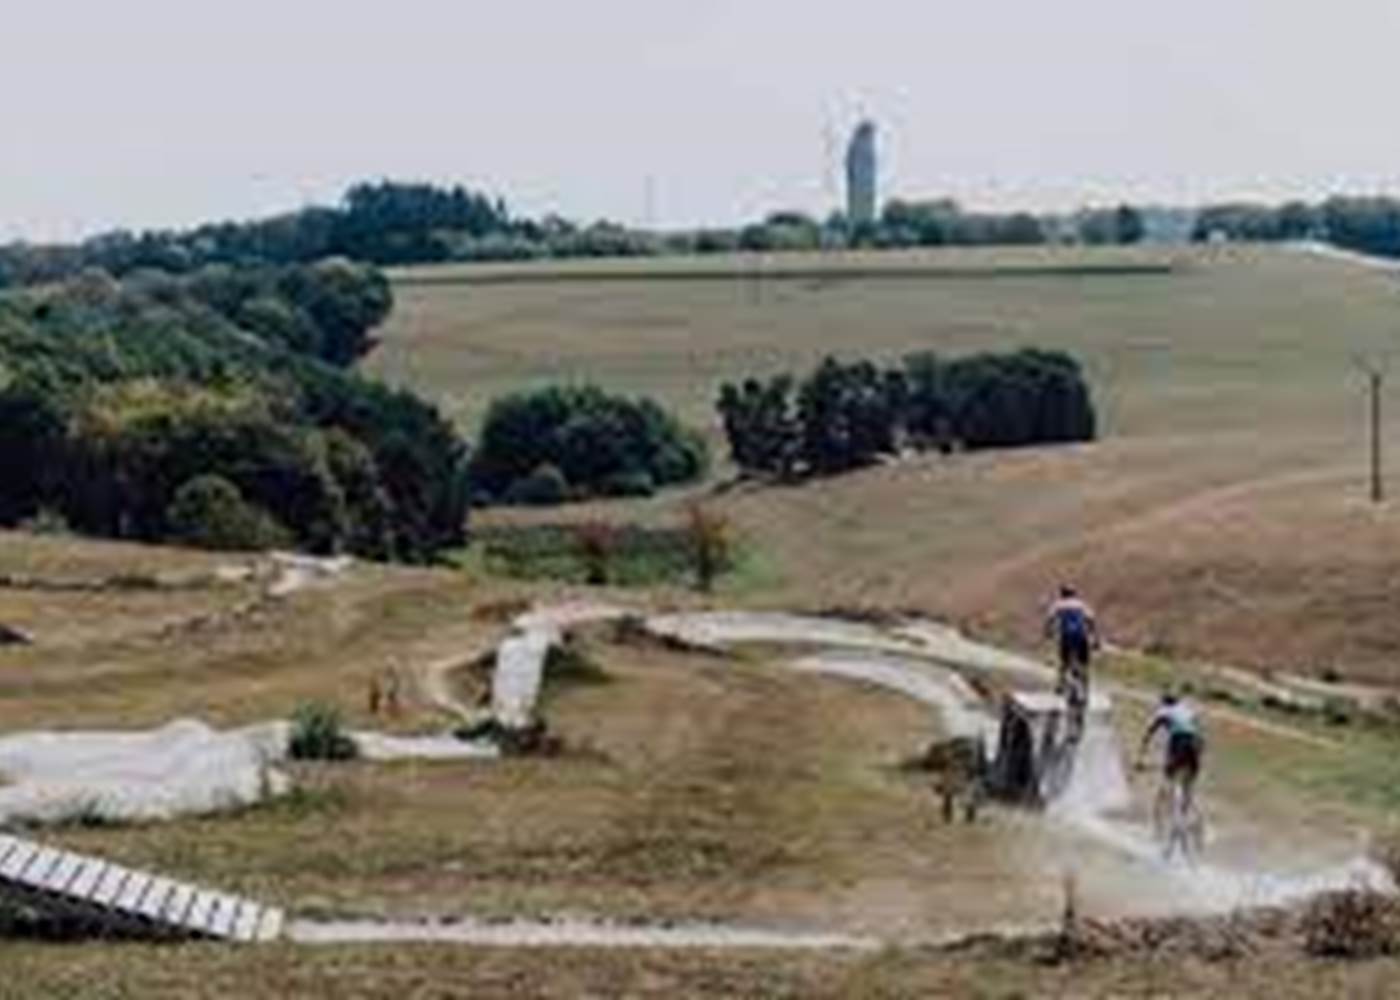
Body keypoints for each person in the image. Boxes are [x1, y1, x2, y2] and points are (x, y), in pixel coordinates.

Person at [1136, 691, 1204, 811]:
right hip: (1195, 742)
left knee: (1169, 774)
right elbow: (1198, 731)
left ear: (1164, 703)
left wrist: (1141, 754)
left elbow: (1150, 732)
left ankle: (1168, 807)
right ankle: (1185, 810)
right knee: (1188, 781)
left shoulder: (1164, 711)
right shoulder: (1187, 710)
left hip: (1179, 741)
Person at [1043, 584, 1099, 699]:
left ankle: (1061, 685)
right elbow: (1091, 619)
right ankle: (1085, 685)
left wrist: (1048, 632)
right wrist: (1095, 638)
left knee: (1064, 662)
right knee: (1084, 663)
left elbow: (1050, 619)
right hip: (1082, 636)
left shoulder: (1059, 604)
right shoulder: (1081, 605)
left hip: (1067, 636)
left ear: (1062, 594)